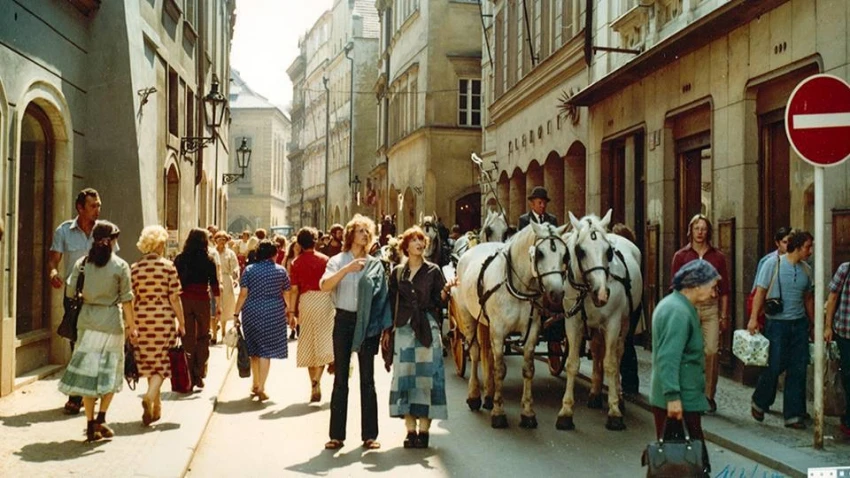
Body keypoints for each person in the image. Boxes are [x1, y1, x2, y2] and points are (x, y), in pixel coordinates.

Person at [58, 221, 136, 442]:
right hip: (111, 324)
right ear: (112, 241)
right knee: (109, 373)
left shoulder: (82, 264)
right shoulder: (121, 266)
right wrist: (132, 327)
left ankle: (91, 423)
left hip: (86, 323)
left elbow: (71, 290)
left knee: (87, 376)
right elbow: (127, 300)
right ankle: (102, 418)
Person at [320, 214, 391, 450]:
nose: (364, 235)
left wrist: (384, 328)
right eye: (360, 230)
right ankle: (336, 435)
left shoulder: (375, 264)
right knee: (341, 379)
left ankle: (370, 435)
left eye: (367, 231)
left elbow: (382, 299)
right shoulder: (338, 260)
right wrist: (347, 270)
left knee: (367, 379)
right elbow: (324, 285)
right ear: (351, 234)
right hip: (344, 320)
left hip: (367, 323)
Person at [650, 260, 720, 476]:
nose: (714, 293)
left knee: (686, 461)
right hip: (678, 398)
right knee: (686, 462)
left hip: (683, 396)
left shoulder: (677, 306)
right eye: (712, 286)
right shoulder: (678, 312)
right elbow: (669, 357)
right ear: (696, 285)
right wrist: (672, 397)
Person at [385, 226, 449, 449]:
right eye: (414, 240)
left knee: (427, 380)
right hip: (403, 330)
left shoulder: (433, 271)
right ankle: (410, 431)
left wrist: (445, 292)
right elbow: (390, 303)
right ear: (406, 246)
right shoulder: (397, 273)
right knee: (405, 379)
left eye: (422, 240)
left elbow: (441, 301)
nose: (420, 244)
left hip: (426, 329)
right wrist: (387, 331)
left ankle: (424, 431)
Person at [748, 230, 814, 429]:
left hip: (799, 324)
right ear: (798, 246)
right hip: (777, 324)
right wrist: (753, 319)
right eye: (808, 247)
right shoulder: (772, 264)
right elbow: (760, 292)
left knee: (798, 368)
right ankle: (760, 400)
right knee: (774, 365)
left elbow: (808, 299)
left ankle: (793, 415)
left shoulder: (806, 270)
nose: (810, 251)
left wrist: (813, 323)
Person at [48, 188, 103, 415]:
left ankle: (85, 391)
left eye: (99, 205)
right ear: (80, 208)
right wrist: (53, 273)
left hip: (100, 298)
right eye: (93, 206)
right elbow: (53, 260)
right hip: (74, 298)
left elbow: (114, 262)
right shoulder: (64, 231)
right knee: (78, 345)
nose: (97, 210)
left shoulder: (104, 231)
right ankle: (76, 395)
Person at [670, 214, 730, 413]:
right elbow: (675, 287)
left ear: (708, 232)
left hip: (711, 308)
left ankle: (708, 396)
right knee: (689, 352)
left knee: (711, 350)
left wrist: (724, 315)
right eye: (696, 228)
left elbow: (726, 290)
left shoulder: (718, 257)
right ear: (690, 231)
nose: (700, 232)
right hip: (689, 309)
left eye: (703, 229)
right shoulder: (681, 256)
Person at [131, 225, 186, 425]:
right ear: (160, 244)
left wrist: (130, 325)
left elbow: (132, 298)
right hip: (163, 319)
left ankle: (155, 408)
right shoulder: (168, 267)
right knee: (163, 364)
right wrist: (181, 321)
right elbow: (174, 298)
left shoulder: (135, 268)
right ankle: (149, 397)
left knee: (149, 361)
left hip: (142, 318)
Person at [233, 240, 294, 401]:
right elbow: (287, 293)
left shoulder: (249, 270)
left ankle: (255, 383)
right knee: (266, 351)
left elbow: (243, 294)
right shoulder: (280, 271)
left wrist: (235, 313)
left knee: (253, 349)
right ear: (274, 254)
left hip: (251, 311)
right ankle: (261, 387)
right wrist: (289, 310)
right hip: (274, 312)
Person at [289, 228, 335, 402]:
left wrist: (292, 313)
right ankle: (318, 378)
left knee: (308, 341)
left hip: (306, 301)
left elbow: (294, 290)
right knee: (323, 341)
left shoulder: (296, 262)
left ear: (299, 243)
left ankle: (312, 383)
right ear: (315, 241)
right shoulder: (325, 260)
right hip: (324, 300)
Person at [174, 228, 221, 390]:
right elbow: (214, 285)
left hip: (184, 300)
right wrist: (218, 306)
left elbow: (174, 282)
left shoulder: (180, 259)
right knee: (203, 337)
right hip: (202, 300)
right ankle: (199, 372)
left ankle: (188, 374)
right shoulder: (208, 260)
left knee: (187, 336)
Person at [612, 223, 642, 395]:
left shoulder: (628, 259)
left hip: (628, 302)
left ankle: (629, 381)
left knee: (625, 340)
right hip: (629, 302)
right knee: (626, 341)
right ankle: (630, 382)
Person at [825, 260, 850, 438]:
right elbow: (832, 297)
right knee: (848, 376)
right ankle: (848, 419)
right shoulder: (845, 269)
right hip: (846, 332)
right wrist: (827, 326)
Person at [213, 231, 240, 338]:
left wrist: (235, 277)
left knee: (225, 306)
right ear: (216, 240)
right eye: (220, 240)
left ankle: (223, 330)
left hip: (226, 279)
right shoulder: (212, 252)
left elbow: (235, 266)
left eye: (224, 240)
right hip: (214, 279)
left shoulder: (230, 253)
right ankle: (214, 332)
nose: (222, 242)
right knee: (214, 306)